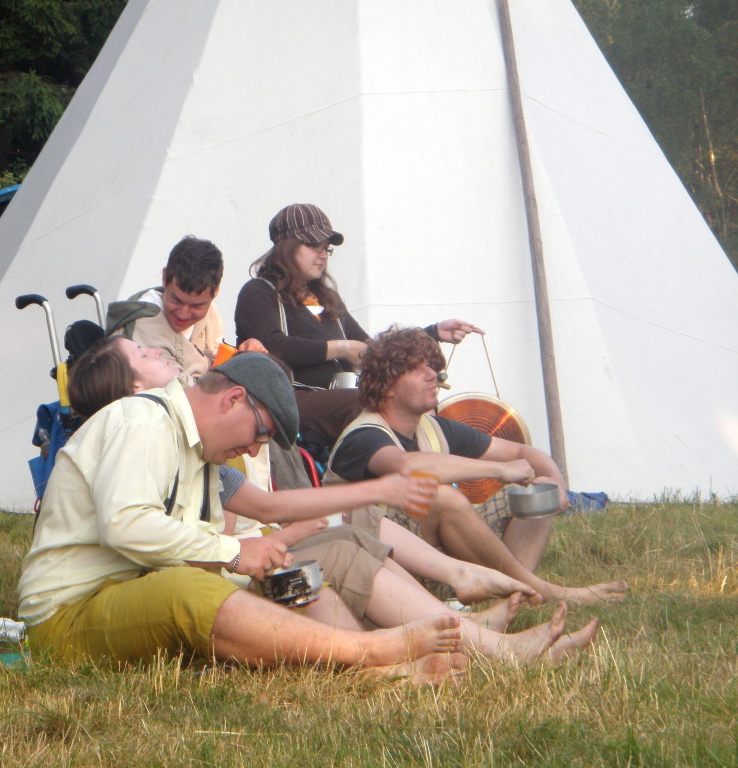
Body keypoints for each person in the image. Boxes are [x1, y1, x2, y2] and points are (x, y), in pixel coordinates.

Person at [58, 338, 600, 664]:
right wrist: (241, 551)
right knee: (262, 569)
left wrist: (269, 542)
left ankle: (457, 642)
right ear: (233, 400)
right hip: (94, 605)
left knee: (322, 552)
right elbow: (133, 528)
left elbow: (264, 512)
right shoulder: (143, 422)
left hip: (154, 588)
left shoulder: (194, 448)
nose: (257, 448)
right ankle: (404, 643)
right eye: (261, 433)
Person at [325, 326, 629, 606]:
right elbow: (407, 467)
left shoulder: (433, 427)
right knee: (438, 495)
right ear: (388, 386)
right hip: (382, 567)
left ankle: (512, 597)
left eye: (431, 366)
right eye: (417, 369)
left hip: (434, 560)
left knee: (535, 493)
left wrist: (555, 484)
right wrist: (499, 470)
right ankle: (538, 589)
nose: (432, 374)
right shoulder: (363, 434)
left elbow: (523, 451)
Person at [234, 203, 481, 455]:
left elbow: (375, 349)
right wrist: (340, 348)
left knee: (410, 398)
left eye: (326, 248)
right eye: (313, 245)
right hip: (286, 399)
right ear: (286, 248)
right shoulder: (259, 291)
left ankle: (427, 464)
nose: (322, 255)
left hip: (337, 396)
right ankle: (400, 467)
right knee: (364, 402)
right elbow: (272, 346)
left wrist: (432, 333)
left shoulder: (326, 297)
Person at [110, 235, 265, 384]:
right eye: (176, 300)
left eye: (197, 306)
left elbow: (216, 363)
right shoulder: (142, 329)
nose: (183, 314)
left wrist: (243, 356)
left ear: (216, 291)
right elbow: (184, 392)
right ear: (164, 278)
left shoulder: (211, 314)